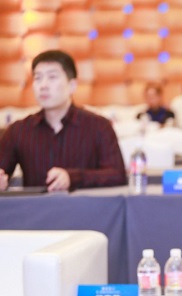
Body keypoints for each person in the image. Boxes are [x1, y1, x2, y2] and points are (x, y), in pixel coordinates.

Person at [0, 50, 126, 191]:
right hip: (35, 205)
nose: (43, 85)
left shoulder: (99, 126)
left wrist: (73, 178)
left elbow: (117, 175)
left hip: (83, 205)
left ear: (72, 85)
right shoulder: (18, 130)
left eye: (52, 77)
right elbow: (2, 171)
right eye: (38, 78)